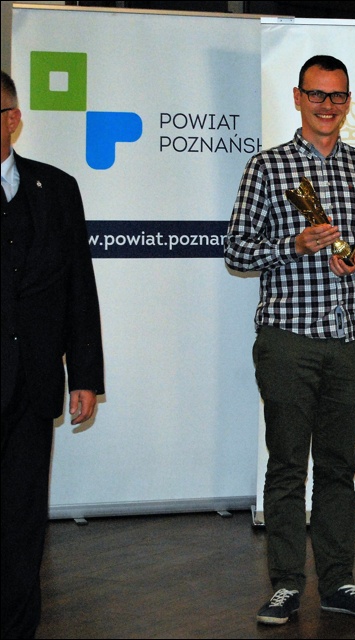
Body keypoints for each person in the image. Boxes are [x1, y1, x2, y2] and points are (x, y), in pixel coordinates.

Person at [224, 55, 355, 625]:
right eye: (317, 95)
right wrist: (293, 246)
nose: (327, 106)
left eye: (337, 96)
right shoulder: (267, 167)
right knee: (288, 465)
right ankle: (287, 584)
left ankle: (340, 582)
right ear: (297, 98)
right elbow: (236, 250)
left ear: (348, 101)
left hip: (350, 339)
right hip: (288, 339)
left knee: (339, 466)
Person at [1, 70, 105, 639]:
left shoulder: (57, 188)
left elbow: (78, 289)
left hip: (34, 385)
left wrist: (84, 375)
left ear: (14, 120)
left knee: (23, 522)